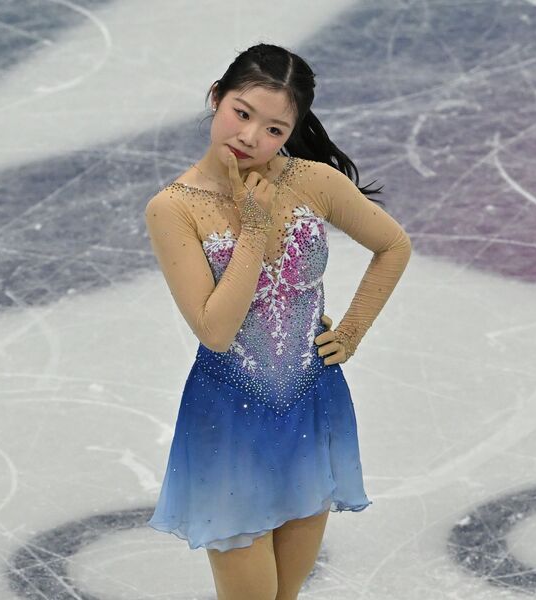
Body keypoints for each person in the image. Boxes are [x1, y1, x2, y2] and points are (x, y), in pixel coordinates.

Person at [144, 43, 412, 600]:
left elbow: (393, 245)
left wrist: (351, 331)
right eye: (241, 113)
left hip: (311, 405)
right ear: (216, 97)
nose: (250, 137)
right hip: (229, 421)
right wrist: (255, 228)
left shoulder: (313, 182)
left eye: (274, 129)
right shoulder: (174, 208)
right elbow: (215, 331)